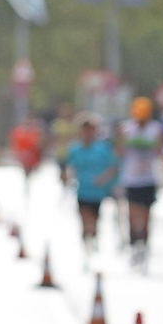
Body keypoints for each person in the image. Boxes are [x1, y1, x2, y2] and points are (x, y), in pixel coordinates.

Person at [61, 113, 120, 269]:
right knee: (84, 220)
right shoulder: (74, 149)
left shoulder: (102, 149)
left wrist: (105, 179)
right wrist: (66, 179)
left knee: (94, 223)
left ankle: (93, 240)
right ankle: (85, 251)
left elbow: (113, 168)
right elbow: (67, 166)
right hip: (82, 192)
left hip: (98, 192)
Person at [117, 97, 163, 273]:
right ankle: (133, 246)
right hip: (131, 180)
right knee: (132, 216)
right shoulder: (126, 129)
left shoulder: (156, 130)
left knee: (146, 219)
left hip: (149, 180)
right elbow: (119, 152)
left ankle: (144, 248)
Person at [10, 118, 45, 194]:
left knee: (30, 169)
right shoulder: (20, 132)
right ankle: (27, 182)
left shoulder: (35, 131)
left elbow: (38, 144)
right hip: (25, 155)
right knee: (27, 169)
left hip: (32, 155)